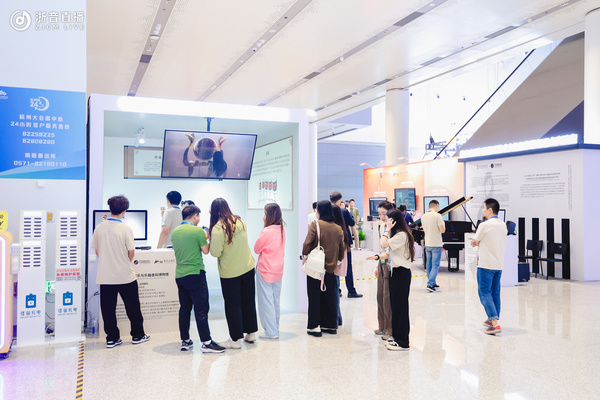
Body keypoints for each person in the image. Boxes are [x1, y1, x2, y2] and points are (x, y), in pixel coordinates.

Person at [91, 195, 149, 348]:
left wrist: (109, 261)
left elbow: (97, 251)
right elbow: (131, 252)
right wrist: (122, 262)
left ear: (109, 209)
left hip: (105, 276)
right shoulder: (126, 228)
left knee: (108, 309)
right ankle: (138, 335)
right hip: (125, 275)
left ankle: (112, 338)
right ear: (124, 211)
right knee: (133, 307)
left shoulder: (99, 228)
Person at [171, 205, 225, 353]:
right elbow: (206, 251)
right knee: (201, 309)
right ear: (195, 216)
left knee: (185, 308)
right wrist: (208, 237)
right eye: (198, 216)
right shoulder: (197, 231)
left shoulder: (175, 232)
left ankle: (185, 341)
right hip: (195, 274)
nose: (199, 219)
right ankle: (206, 342)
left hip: (180, 275)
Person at [209, 198, 258, 348]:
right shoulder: (240, 222)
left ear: (214, 212)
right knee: (248, 301)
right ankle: (251, 333)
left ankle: (235, 340)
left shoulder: (217, 229)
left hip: (230, 273)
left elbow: (215, 253)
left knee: (233, 306)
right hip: (248, 267)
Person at [367, 209, 415, 351]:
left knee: (401, 308)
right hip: (396, 272)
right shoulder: (397, 235)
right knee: (396, 307)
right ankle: (397, 336)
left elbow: (383, 244)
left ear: (394, 220)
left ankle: (403, 342)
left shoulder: (402, 235)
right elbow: (387, 253)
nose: (385, 220)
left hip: (402, 273)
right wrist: (376, 258)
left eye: (388, 218)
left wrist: (387, 229)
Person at [302, 201, 345, 337]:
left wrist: (304, 256)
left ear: (320, 211)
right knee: (330, 296)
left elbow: (307, 243)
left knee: (314, 296)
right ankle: (330, 325)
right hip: (330, 267)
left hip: (316, 267)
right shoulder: (338, 228)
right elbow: (341, 248)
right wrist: (337, 261)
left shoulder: (316, 224)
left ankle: (314, 326)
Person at [470, 198, 507, 335]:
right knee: (495, 293)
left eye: (484, 208)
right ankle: (492, 319)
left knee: (484, 293)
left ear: (490, 210)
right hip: (498, 264)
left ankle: (495, 323)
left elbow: (475, 241)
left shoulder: (484, 225)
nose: (482, 210)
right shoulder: (503, 225)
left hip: (485, 264)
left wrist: (474, 242)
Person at [254, 203, 286, 339]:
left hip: (265, 270)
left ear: (269, 215)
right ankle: (274, 328)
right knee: (275, 300)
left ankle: (271, 331)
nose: (263, 216)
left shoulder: (266, 231)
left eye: (265, 213)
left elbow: (256, 249)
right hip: (278, 270)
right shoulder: (281, 230)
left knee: (266, 301)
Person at [330, 191, 362, 298]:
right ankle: (351, 291)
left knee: (334, 266)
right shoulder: (344, 211)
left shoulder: (327, 211)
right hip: (345, 242)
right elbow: (352, 223)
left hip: (332, 242)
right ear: (339, 200)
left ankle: (337, 290)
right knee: (348, 266)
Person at [373, 200, 394, 340]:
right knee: (380, 295)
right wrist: (378, 265)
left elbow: (390, 249)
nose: (382, 217)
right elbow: (382, 248)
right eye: (379, 214)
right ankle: (381, 325)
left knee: (387, 297)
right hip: (382, 260)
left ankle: (389, 328)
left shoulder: (394, 228)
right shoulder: (382, 226)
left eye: (384, 214)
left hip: (390, 263)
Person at [421, 199, 445, 292]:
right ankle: (430, 284)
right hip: (436, 244)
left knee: (429, 265)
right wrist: (444, 224)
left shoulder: (423, 216)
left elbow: (424, 229)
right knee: (435, 265)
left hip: (427, 243)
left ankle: (433, 282)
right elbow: (442, 230)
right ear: (436, 206)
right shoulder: (438, 215)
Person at [331, 205, 349, 326]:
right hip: (337, 265)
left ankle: (337, 318)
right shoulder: (341, 228)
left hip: (334, 265)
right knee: (335, 291)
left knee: (334, 292)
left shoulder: (337, 230)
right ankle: (338, 318)